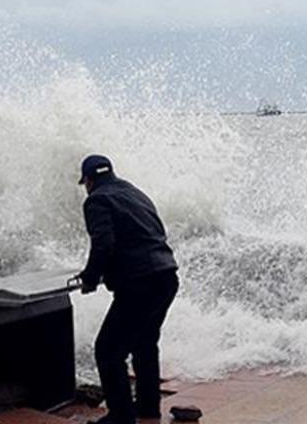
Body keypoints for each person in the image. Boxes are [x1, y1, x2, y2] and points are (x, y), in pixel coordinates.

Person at [76, 154, 179, 424]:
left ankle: (120, 416)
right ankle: (148, 409)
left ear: (88, 180)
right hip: (166, 275)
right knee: (145, 344)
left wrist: (90, 278)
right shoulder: (135, 192)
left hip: (140, 283)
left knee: (108, 350)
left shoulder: (96, 199)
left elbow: (104, 244)